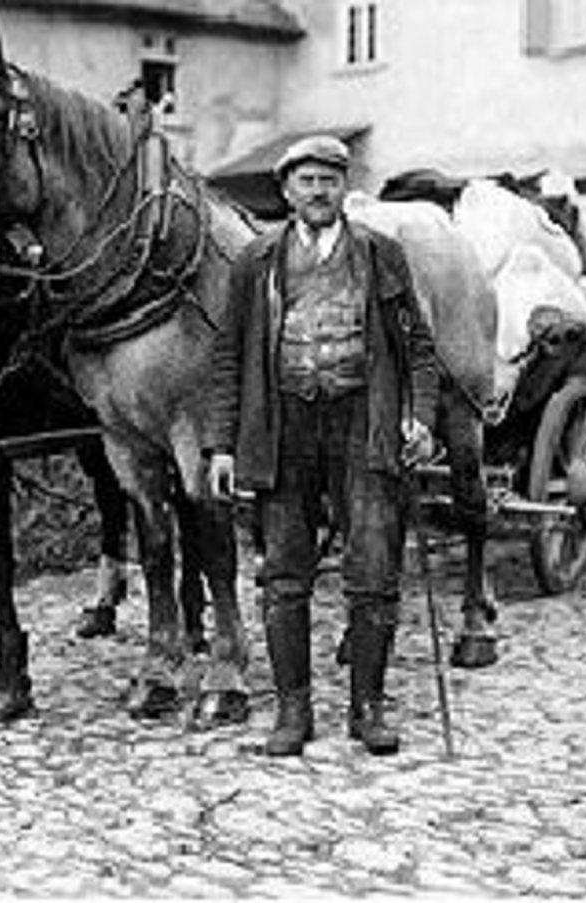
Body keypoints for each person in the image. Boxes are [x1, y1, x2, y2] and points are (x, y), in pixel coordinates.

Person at [205, 135, 438, 757]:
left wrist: (421, 419)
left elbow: (418, 347)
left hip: (364, 421)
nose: (318, 191)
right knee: (284, 574)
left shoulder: (381, 255)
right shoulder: (257, 262)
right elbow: (228, 357)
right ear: (286, 192)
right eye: (306, 181)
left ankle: (367, 710)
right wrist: (221, 445)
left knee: (372, 569)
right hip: (282, 428)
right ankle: (292, 712)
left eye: (329, 180)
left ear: (345, 189)